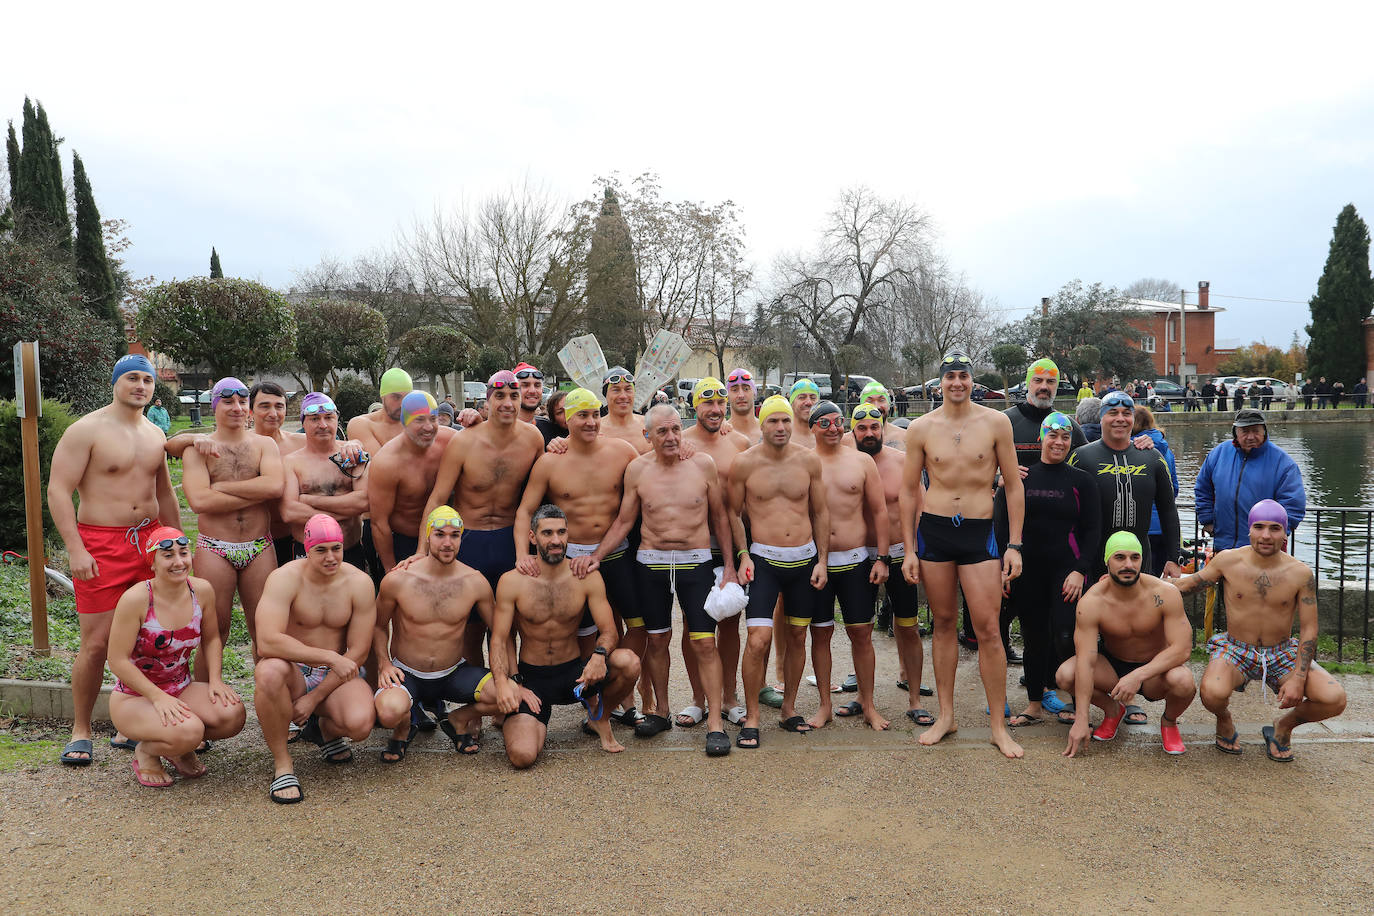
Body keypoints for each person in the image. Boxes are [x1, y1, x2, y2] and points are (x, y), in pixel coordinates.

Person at [578, 404, 738, 753]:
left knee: (704, 643)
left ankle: (714, 723)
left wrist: (729, 564)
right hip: (650, 564)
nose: (671, 437)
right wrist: (596, 556)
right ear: (647, 436)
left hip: (695, 562)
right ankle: (661, 711)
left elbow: (720, 518)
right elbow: (623, 521)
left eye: (676, 429)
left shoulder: (703, 465)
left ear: (683, 430)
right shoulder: (637, 469)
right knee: (657, 639)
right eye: (662, 431)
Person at [48, 354, 182, 765]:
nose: (140, 385)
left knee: (151, 637)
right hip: (101, 544)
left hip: (148, 543)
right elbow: (58, 490)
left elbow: (165, 494)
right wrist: (75, 548)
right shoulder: (86, 430)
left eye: (147, 379)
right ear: (115, 383)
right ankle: (81, 729)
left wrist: (176, 543)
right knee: (98, 643)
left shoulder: (154, 433)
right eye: (132, 378)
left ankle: (132, 725)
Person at [900, 350, 1025, 758]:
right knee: (943, 623)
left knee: (989, 629)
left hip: (980, 533)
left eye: (964, 376)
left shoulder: (996, 422)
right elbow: (907, 491)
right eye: (950, 376)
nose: (957, 382)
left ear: (973, 381)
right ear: (940, 382)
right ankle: (946, 715)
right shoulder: (920, 427)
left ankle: (997, 725)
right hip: (934, 533)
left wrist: (1014, 544)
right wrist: (909, 550)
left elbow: (1013, 486)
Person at [1170, 500, 1347, 760]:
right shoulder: (1228, 561)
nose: (1266, 535)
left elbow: (1309, 628)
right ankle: (1224, 719)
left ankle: (1283, 726)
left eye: (1275, 528)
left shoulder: (1300, 573)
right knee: (1212, 693)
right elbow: (1184, 586)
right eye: (1259, 527)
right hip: (1235, 648)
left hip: (1282, 652)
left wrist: (1298, 678)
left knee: (1335, 698)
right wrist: (1137, 581)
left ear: (1285, 532)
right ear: (1249, 529)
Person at [490, 505, 643, 767]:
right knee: (522, 757)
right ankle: (527, 722)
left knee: (629, 662)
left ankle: (599, 717)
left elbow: (609, 631)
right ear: (532, 537)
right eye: (547, 533)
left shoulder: (584, 577)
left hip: (575, 675)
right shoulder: (512, 581)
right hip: (532, 679)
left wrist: (599, 655)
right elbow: (499, 639)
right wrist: (508, 682)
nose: (556, 540)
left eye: (561, 532)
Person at [514, 387, 643, 683]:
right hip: (572, 558)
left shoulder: (622, 451)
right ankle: (591, 698)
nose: (591, 422)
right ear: (567, 420)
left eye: (596, 414)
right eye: (582, 415)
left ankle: (630, 696)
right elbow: (524, 511)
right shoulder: (550, 461)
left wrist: (685, 449)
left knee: (636, 624)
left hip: (616, 552)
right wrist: (523, 554)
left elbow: (654, 469)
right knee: (584, 630)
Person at [419, 370, 544, 663]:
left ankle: (511, 696)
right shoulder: (464, 442)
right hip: (470, 541)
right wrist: (421, 552)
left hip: (508, 539)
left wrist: (558, 446)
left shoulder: (533, 439)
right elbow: (438, 498)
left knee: (510, 624)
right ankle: (478, 696)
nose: (508, 403)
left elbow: (546, 485)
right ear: (486, 401)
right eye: (499, 396)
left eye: (514, 396)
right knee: (470, 629)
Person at [107, 527, 246, 787]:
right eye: (168, 555)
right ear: (153, 562)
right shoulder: (136, 599)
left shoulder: (201, 590)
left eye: (183, 553)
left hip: (180, 688)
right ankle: (147, 752)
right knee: (191, 731)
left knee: (232, 714)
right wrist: (157, 697)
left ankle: (178, 748)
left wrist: (215, 680)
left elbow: (212, 638)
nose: (179, 562)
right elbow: (117, 660)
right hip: (133, 698)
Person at [253, 514, 378, 803]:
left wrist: (314, 697)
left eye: (336, 548)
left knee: (360, 725)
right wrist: (328, 657)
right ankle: (283, 764)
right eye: (321, 550)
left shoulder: (359, 583)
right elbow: (267, 641)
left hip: (333, 675)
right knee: (268, 672)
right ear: (306, 550)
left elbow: (358, 651)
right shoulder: (284, 578)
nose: (330, 557)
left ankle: (324, 729)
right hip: (293, 668)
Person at [730, 395, 829, 748]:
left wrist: (821, 560)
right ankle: (753, 715)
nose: (781, 427)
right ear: (762, 423)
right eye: (773, 421)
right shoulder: (744, 464)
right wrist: (743, 554)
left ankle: (788, 708)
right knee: (758, 639)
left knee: (798, 637)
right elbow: (732, 514)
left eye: (785, 421)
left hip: (803, 560)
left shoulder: (808, 461)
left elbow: (820, 513)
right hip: (764, 560)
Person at [372, 506, 509, 762]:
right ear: (427, 537)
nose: (447, 543)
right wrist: (384, 664)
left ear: (461, 537)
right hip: (407, 672)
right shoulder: (398, 580)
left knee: (508, 695)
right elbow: (378, 626)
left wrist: (504, 677)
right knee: (388, 712)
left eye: (454, 535)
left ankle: (458, 719)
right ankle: (404, 725)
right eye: (439, 535)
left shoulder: (475, 582)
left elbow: (499, 633)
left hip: (452, 673)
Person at [995, 413, 1099, 728]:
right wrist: (1004, 566)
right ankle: (1035, 704)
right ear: (1042, 438)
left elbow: (1093, 530)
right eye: (1052, 436)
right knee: (1034, 636)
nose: (1059, 442)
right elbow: (1002, 523)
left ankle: (1069, 698)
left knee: (1066, 635)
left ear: (1071, 441)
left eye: (1065, 437)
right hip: (1028, 570)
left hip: (1066, 569)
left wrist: (1081, 570)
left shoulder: (1082, 481)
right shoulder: (1021, 478)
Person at [179, 377, 284, 670]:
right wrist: (255, 488)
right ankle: (205, 700)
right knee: (214, 631)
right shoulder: (197, 449)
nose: (237, 408)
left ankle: (268, 706)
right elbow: (199, 502)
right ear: (214, 407)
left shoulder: (265, 445)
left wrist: (220, 489)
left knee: (263, 630)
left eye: (242, 401)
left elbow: (275, 487)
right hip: (215, 547)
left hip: (259, 546)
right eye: (228, 401)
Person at [1060, 532, 1197, 757]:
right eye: (1120, 557)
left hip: (1155, 670)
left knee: (1183, 681)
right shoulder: (1092, 602)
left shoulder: (1164, 593)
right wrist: (1081, 720)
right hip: (1113, 667)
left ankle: (1169, 722)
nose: (1128, 564)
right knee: (1066, 674)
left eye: (1135, 557)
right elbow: (1085, 660)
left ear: (1142, 560)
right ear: (1107, 561)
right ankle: (1113, 711)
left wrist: (1138, 675)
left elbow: (1182, 649)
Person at [811, 401, 890, 730]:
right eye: (825, 423)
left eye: (838, 422)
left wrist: (882, 558)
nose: (833, 428)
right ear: (813, 427)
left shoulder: (861, 462)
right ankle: (825, 705)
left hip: (856, 561)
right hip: (817, 564)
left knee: (861, 633)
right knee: (820, 634)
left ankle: (868, 704)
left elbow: (880, 512)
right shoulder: (803, 461)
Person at [679, 377, 754, 726]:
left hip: (732, 541)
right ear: (695, 406)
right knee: (694, 626)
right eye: (707, 403)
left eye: (720, 403)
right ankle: (697, 698)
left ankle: (729, 697)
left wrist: (742, 553)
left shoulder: (738, 442)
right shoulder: (679, 442)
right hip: (694, 543)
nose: (715, 409)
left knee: (729, 623)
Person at [859, 402, 933, 725]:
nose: (869, 433)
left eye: (875, 427)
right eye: (862, 428)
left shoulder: (903, 463)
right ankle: (864, 700)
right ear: (853, 430)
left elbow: (921, 508)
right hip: (861, 556)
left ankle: (915, 699)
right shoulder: (846, 462)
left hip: (902, 553)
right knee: (860, 631)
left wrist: (916, 552)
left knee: (908, 627)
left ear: (883, 428)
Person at [1068, 391, 1181, 591]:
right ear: (1101, 417)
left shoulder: (1152, 458)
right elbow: (1065, 511)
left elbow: (1168, 510)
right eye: (1113, 412)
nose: (1120, 419)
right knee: (1094, 616)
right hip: (1092, 559)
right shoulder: (1081, 457)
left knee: (1138, 618)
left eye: (1126, 413)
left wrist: (1173, 557)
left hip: (1139, 559)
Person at [367, 391, 459, 572]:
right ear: (404, 422)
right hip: (405, 542)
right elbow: (379, 523)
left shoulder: (450, 441)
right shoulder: (387, 462)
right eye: (419, 420)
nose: (428, 427)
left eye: (433, 419)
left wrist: (477, 422)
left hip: (448, 537)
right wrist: (389, 570)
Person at [281, 393, 370, 569]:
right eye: (314, 419)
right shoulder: (291, 462)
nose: (323, 425)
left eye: (329, 417)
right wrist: (346, 508)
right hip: (307, 552)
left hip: (349, 549)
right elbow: (290, 512)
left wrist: (309, 500)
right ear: (303, 423)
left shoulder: (352, 454)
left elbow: (363, 502)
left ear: (337, 420)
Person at [1194, 409, 1306, 551]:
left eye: (1256, 430)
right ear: (1236, 432)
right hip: (1224, 546)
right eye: (1245, 431)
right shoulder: (1218, 454)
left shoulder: (1283, 463)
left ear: (1264, 431)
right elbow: (1203, 488)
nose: (1251, 436)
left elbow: (1293, 504)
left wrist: (1278, 533)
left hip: (1265, 549)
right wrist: (1207, 520)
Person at [348, 367, 413, 585]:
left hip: (413, 527)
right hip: (376, 525)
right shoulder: (361, 424)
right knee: (382, 593)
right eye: (396, 397)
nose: (403, 404)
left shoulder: (418, 423)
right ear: (382, 396)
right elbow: (382, 468)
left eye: (408, 397)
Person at [1131, 406, 1180, 577]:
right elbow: (1174, 487)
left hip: (1141, 526)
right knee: (1155, 579)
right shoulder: (1167, 451)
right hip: (1164, 526)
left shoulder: (1132, 450)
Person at [597, 366, 649, 454]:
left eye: (628, 389)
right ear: (606, 395)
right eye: (616, 390)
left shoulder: (649, 425)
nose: (623, 396)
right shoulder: (594, 429)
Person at [725, 368, 762, 442]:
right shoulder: (721, 434)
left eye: (746, 389)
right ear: (727, 396)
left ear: (754, 393)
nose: (741, 395)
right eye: (735, 390)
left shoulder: (768, 431)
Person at [786, 379, 820, 449]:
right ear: (792, 403)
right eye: (802, 397)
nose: (808, 402)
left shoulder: (826, 436)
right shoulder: (782, 436)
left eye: (813, 398)